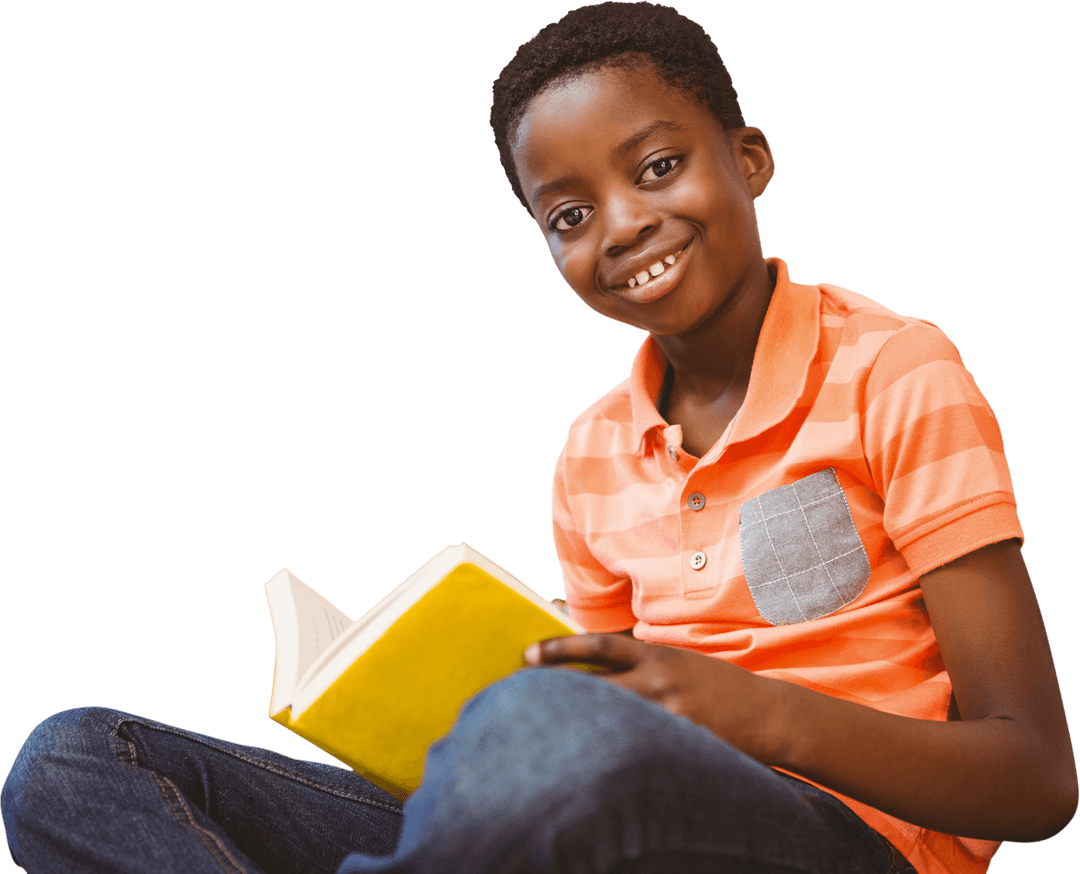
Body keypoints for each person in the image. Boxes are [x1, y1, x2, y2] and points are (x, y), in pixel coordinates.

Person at [3, 3, 1076, 873]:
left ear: (748, 159)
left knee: (564, 738)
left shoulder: (895, 369)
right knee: (80, 762)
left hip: (850, 845)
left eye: (656, 168)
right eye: (567, 215)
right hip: (603, 817)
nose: (620, 226)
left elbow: (1035, 781)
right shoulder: (590, 454)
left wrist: (736, 710)